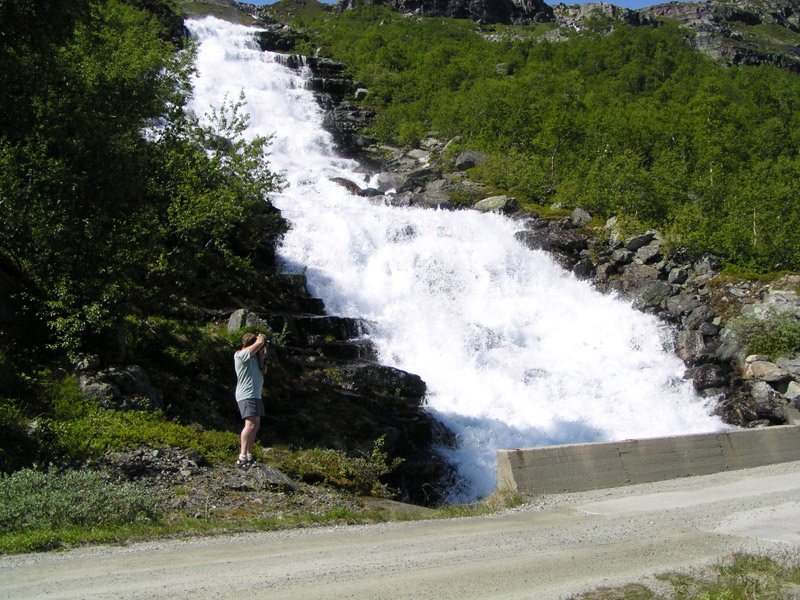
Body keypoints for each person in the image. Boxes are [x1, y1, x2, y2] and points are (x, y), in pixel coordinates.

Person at [233, 332, 268, 466]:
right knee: (250, 425)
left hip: (255, 394)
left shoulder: (253, 358)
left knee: (255, 425)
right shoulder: (240, 355)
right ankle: (242, 456)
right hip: (246, 394)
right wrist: (260, 340)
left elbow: (263, 370)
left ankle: (248, 454)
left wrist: (262, 355)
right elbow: (258, 343)